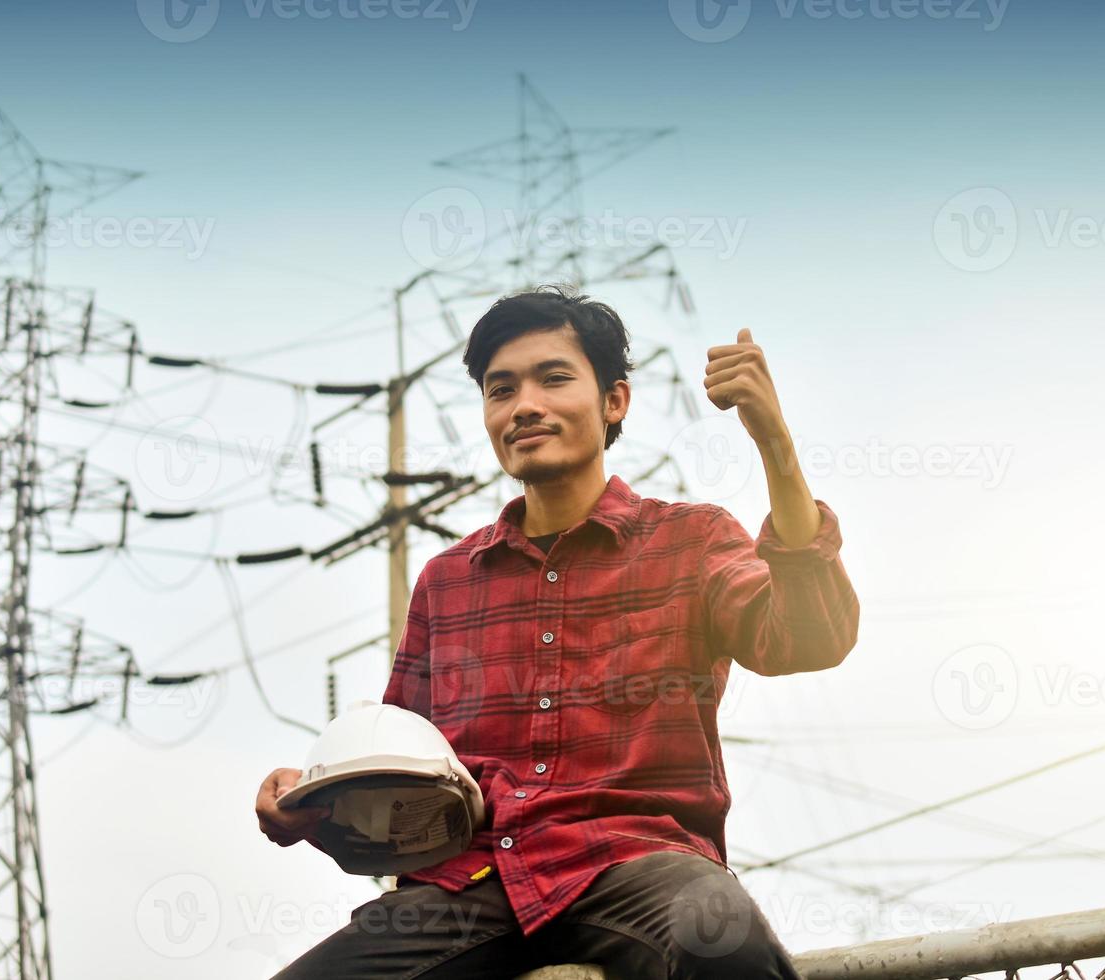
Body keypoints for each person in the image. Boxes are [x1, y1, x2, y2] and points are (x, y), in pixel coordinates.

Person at [255, 284, 861, 978]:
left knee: (719, 935)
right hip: (469, 886)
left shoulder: (689, 539)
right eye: (500, 389)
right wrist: (311, 802)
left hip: (638, 867)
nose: (524, 406)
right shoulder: (447, 580)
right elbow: (402, 781)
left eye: (553, 378)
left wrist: (774, 442)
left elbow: (811, 638)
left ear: (614, 402)